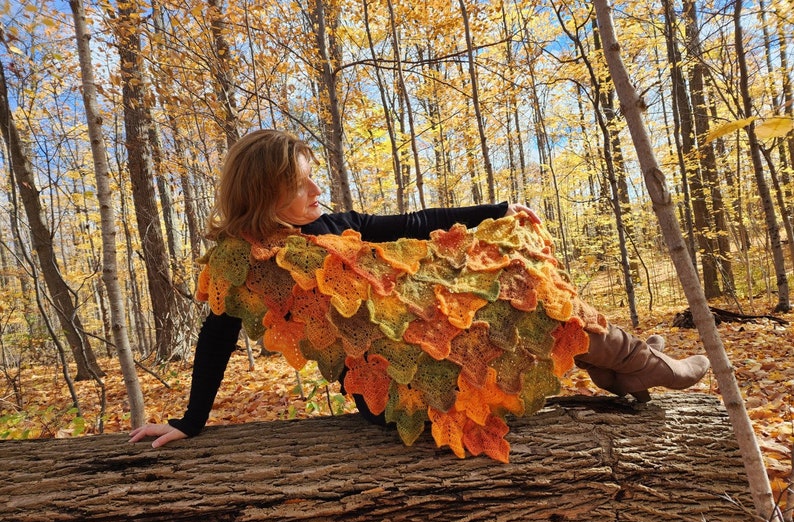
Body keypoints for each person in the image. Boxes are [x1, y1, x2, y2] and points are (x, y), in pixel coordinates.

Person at [129, 129, 709, 450]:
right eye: (301, 184)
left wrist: (496, 209)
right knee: (513, 309)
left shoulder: (332, 223)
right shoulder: (246, 261)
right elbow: (217, 333)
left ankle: (625, 362)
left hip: (428, 349)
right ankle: (633, 363)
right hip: (397, 395)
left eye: (312, 177)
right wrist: (190, 421)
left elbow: (409, 224)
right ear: (263, 194)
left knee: (517, 285)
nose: (317, 190)